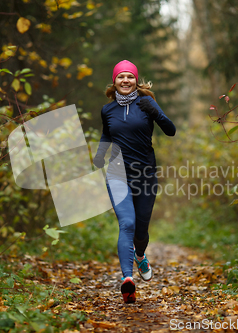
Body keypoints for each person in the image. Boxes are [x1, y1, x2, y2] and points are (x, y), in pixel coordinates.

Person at [93, 60, 176, 303]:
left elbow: (170, 130)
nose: (126, 80)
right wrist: (99, 157)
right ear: (115, 81)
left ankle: (140, 255)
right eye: (121, 77)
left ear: (136, 81)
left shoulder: (146, 103)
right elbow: (106, 134)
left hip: (146, 175)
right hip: (117, 174)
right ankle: (127, 280)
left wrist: (156, 112)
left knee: (141, 231)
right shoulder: (107, 110)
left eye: (130, 76)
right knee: (126, 224)